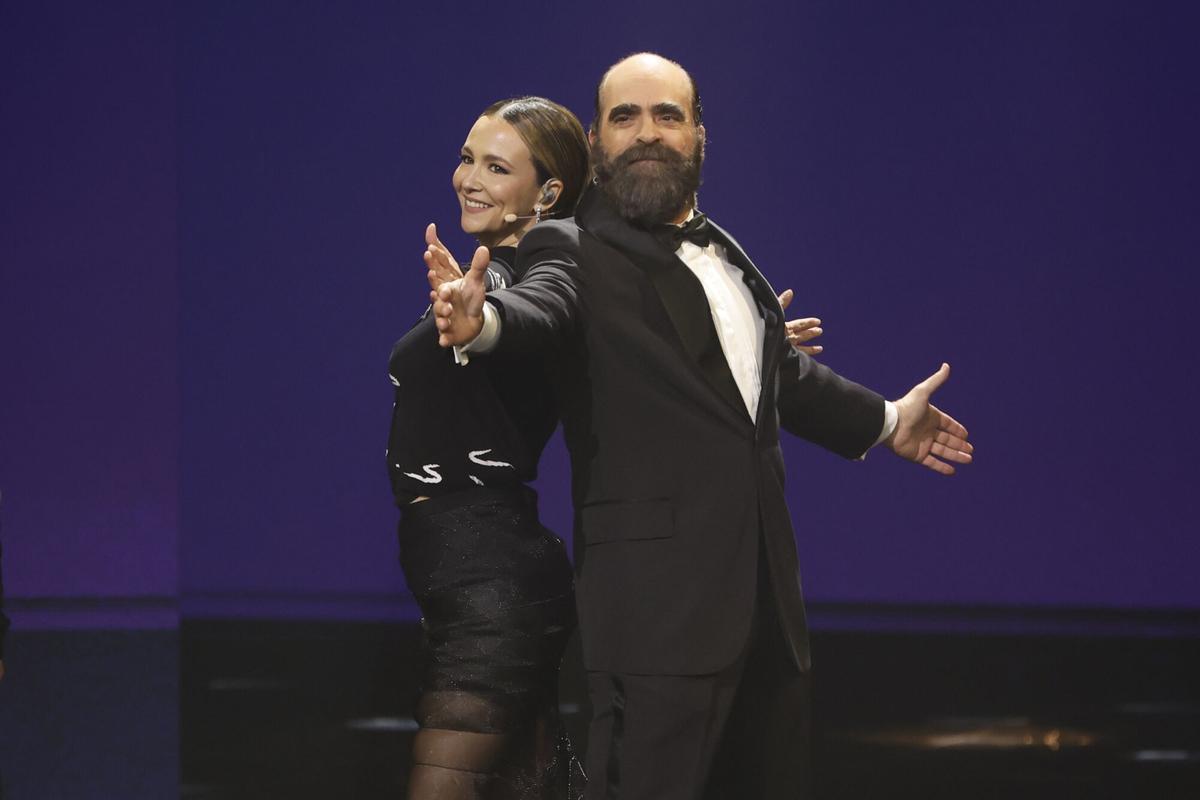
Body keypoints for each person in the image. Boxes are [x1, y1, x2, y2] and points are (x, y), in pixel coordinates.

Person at [430, 53, 973, 800]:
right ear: (595, 143)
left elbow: (768, 379)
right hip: (654, 617)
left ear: (698, 138)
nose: (646, 133)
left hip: (765, 609)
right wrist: (484, 321)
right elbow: (539, 308)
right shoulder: (571, 247)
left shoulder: (726, 255)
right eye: (625, 117)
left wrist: (885, 422)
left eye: (666, 116)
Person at [387, 96, 590, 800]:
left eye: (496, 166)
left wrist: (484, 323)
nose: (468, 177)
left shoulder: (547, 250)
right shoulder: (489, 268)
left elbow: (544, 306)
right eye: (469, 157)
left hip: (492, 583)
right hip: (465, 575)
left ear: (549, 192)